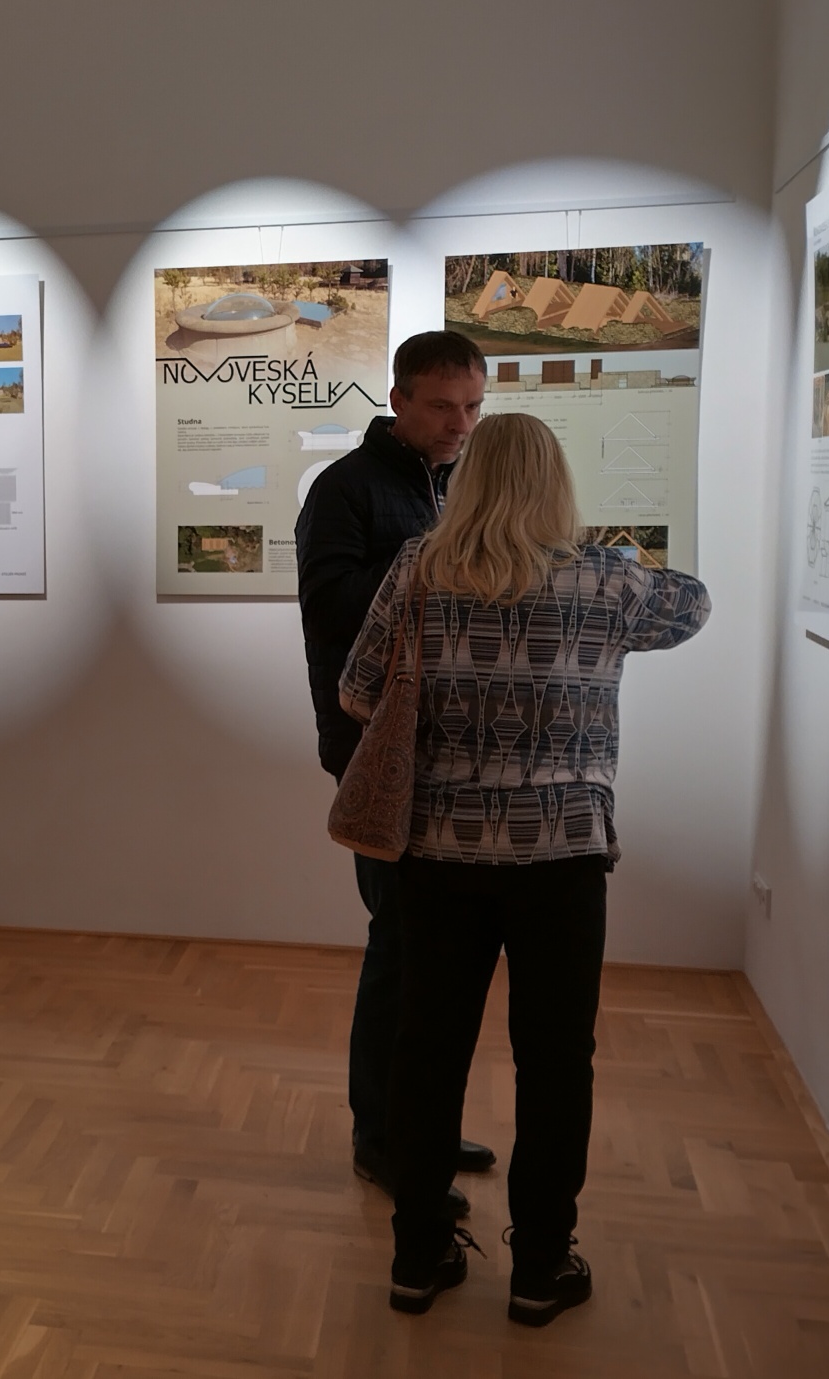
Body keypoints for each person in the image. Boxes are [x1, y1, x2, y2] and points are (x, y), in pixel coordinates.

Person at [339, 413, 710, 1324]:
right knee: (555, 1061)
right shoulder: (607, 578)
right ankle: (541, 1266)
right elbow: (695, 603)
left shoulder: (418, 568)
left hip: (439, 852)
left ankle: (418, 1256)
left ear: (467, 479)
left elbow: (356, 691)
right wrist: (601, 553)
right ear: (557, 484)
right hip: (563, 857)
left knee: (428, 1050)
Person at [294, 332, 492, 1213]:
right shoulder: (343, 490)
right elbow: (332, 607)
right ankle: (381, 1136)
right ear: (399, 399)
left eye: (474, 407)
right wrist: (438, 556)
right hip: (374, 753)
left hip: (449, 752)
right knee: (400, 950)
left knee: (437, 956)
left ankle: (424, 1128)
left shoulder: (460, 484)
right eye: (443, 406)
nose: (461, 424)